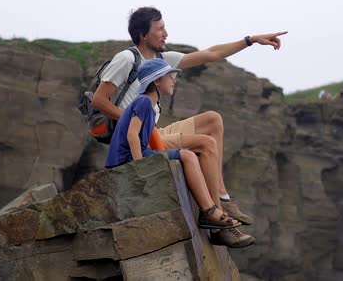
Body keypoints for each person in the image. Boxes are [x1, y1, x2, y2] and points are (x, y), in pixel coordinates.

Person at [93, 6, 286, 245]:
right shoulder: (127, 59)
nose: (166, 33)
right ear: (144, 34)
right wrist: (135, 121)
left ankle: (222, 198)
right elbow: (98, 100)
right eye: (160, 28)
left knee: (212, 119)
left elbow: (211, 54)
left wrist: (250, 40)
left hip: (156, 130)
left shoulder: (163, 61)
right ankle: (216, 221)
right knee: (204, 144)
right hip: (143, 136)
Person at [105, 59, 255, 248]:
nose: (173, 80)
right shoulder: (144, 101)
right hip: (126, 160)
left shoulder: (149, 104)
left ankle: (212, 209)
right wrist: (140, 166)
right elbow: (132, 135)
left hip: (135, 155)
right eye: (169, 76)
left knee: (187, 154)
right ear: (157, 81)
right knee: (187, 155)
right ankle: (210, 211)